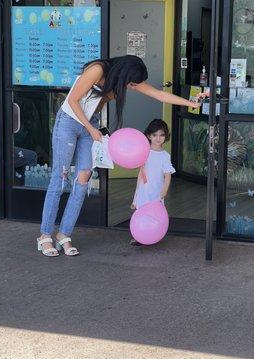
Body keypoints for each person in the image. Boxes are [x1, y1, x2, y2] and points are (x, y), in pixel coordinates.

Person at [37, 55, 204, 257]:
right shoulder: (97, 70)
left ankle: (64, 234)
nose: (132, 86)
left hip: (90, 127)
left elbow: (159, 95)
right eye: (131, 82)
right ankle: (45, 235)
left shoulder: (123, 79)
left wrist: (191, 103)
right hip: (70, 124)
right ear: (124, 73)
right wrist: (91, 129)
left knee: (82, 181)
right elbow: (72, 100)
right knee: (60, 178)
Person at [130, 119, 175, 245]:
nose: (158, 138)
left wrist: (164, 190)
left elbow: (167, 175)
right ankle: (139, 235)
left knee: (154, 213)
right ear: (149, 136)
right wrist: (136, 195)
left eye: (161, 135)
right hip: (144, 189)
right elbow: (141, 172)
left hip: (157, 190)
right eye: (154, 135)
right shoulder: (144, 152)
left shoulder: (165, 156)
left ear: (165, 136)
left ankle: (152, 234)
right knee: (140, 210)